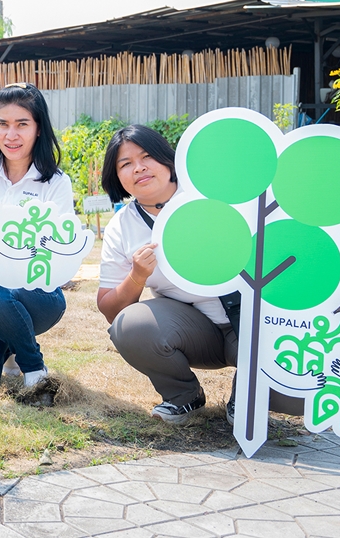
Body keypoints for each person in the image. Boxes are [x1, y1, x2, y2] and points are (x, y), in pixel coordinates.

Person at [97, 124, 304, 424]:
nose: (138, 168)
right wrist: (137, 277)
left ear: (168, 160)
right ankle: (184, 397)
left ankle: (246, 393)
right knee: (129, 325)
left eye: (146, 157)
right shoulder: (122, 226)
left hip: (251, 321)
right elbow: (109, 309)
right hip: (193, 330)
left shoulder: (212, 194)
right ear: (117, 177)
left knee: (299, 396)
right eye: (125, 164)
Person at [0, 83, 77, 395]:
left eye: (22, 124)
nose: (11, 135)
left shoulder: (56, 183)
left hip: (37, 295)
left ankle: (33, 367)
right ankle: (9, 345)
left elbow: (53, 251)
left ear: (38, 128)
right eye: (2, 124)